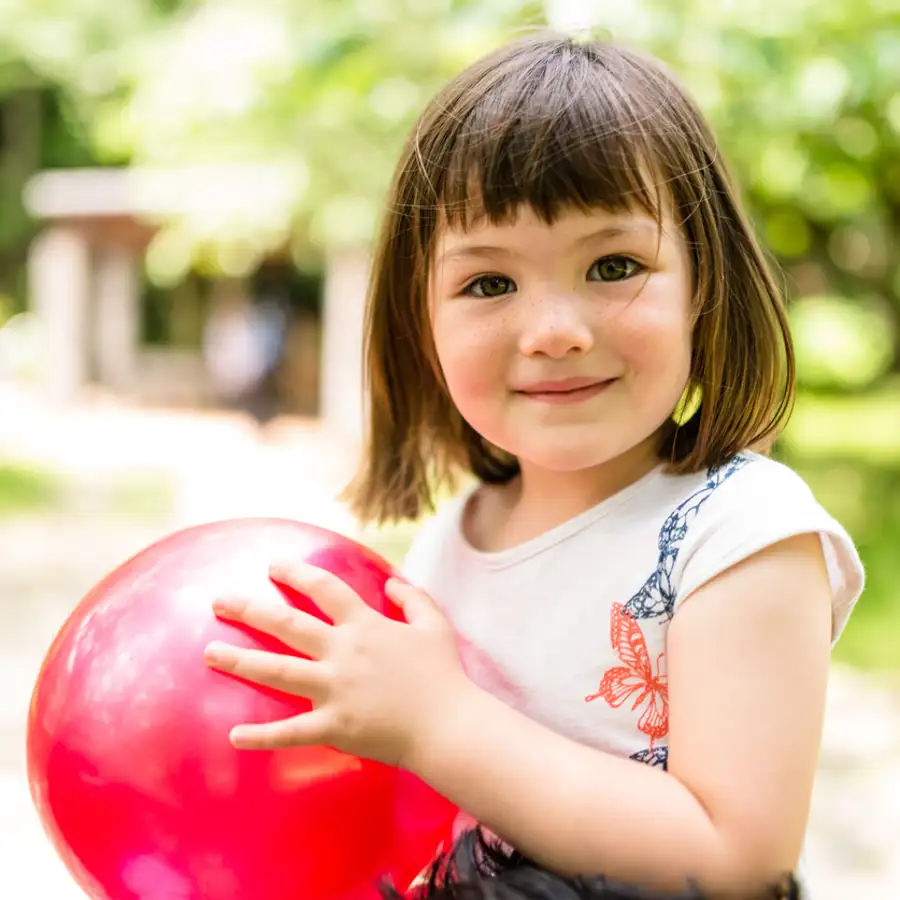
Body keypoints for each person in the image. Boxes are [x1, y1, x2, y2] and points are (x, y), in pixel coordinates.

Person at [202, 31, 865, 898]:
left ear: (704, 287)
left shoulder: (742, 534)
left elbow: (739, 859)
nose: (555, 329)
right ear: (420, 320)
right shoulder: (454, 539)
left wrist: (437, 723)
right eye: (488, 283)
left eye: (614, 266)